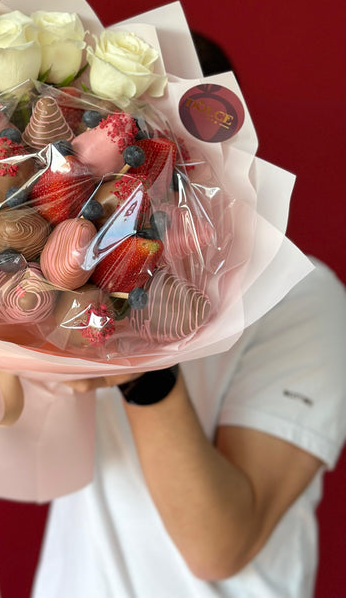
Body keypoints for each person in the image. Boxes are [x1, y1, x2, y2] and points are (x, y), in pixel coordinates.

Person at [32, 37, 346, 598]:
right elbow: (2, 451)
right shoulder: (76, 271)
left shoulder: (305, 298)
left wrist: (139, 358)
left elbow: (219, 546)